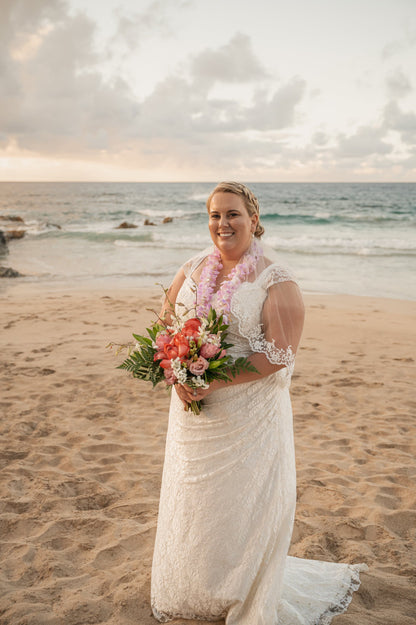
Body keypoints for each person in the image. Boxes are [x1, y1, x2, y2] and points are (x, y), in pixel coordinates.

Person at [150, 182, 366, 625]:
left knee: (240, 507)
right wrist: (177, 373)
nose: (222, 224)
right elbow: (165, 329)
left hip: (248, 416)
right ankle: (197, 586)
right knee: (197, 502)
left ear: (253, 219)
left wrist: (213, 381)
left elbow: (278, 354)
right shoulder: (191, 269)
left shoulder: (275, 279)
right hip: (193, 414)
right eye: (214, 215)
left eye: (232, 214)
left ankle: (241, 590)